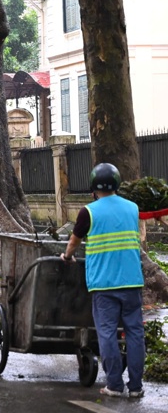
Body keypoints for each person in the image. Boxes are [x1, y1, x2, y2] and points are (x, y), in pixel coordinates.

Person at [60, 163, 145, 398]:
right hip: (132, 282)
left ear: (93, 188)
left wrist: (67, 257)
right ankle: (136, 387)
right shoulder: (133, 208)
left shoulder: (89, 212)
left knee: (107, 333)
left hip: (104, 284)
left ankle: (115, 385)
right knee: (135, 333)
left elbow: (74, 242)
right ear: (117, 184)